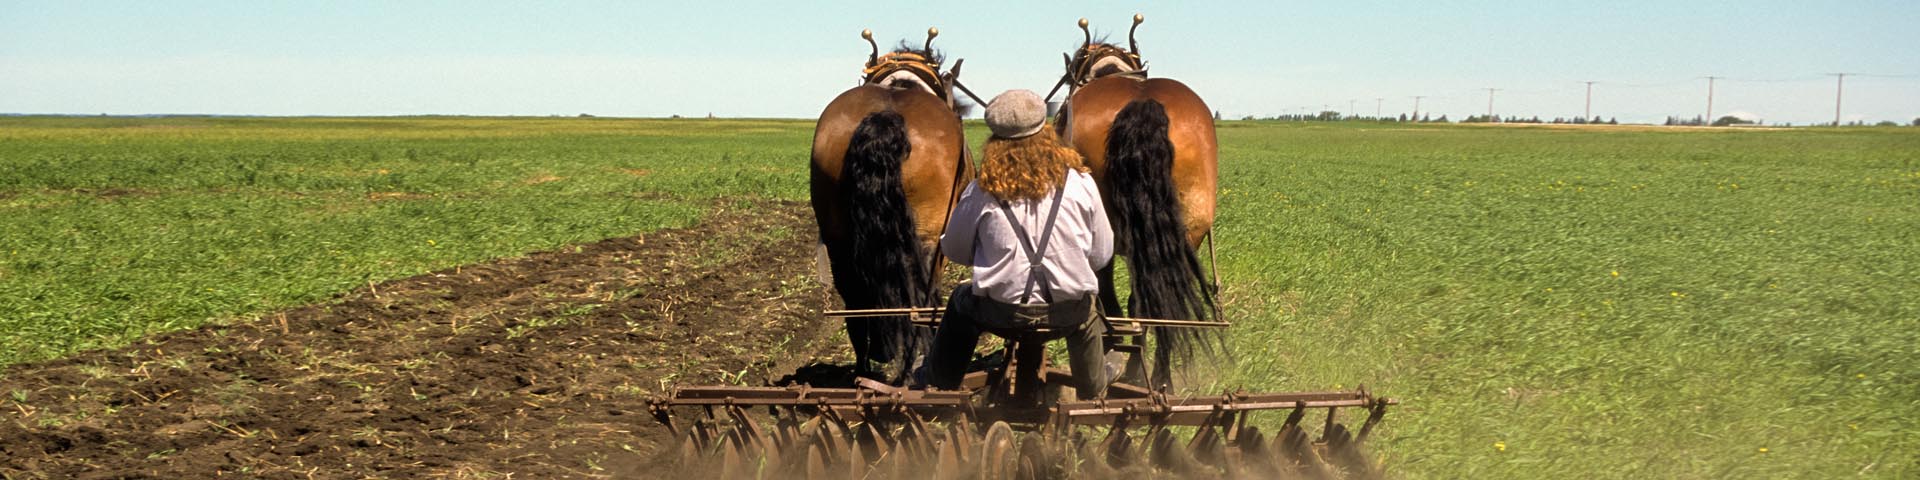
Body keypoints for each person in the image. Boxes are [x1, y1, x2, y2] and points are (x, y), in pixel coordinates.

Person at [924, 89, 1114, 400]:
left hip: (999, 314)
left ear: (995, 142)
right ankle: (1092, 389)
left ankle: (941, 378)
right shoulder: (1082, 184)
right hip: (1066, 314)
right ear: (1047, 132)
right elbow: (1102, 254)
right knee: (1088, 306)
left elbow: (955, 250)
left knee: (961, 300)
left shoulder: (980, 190)